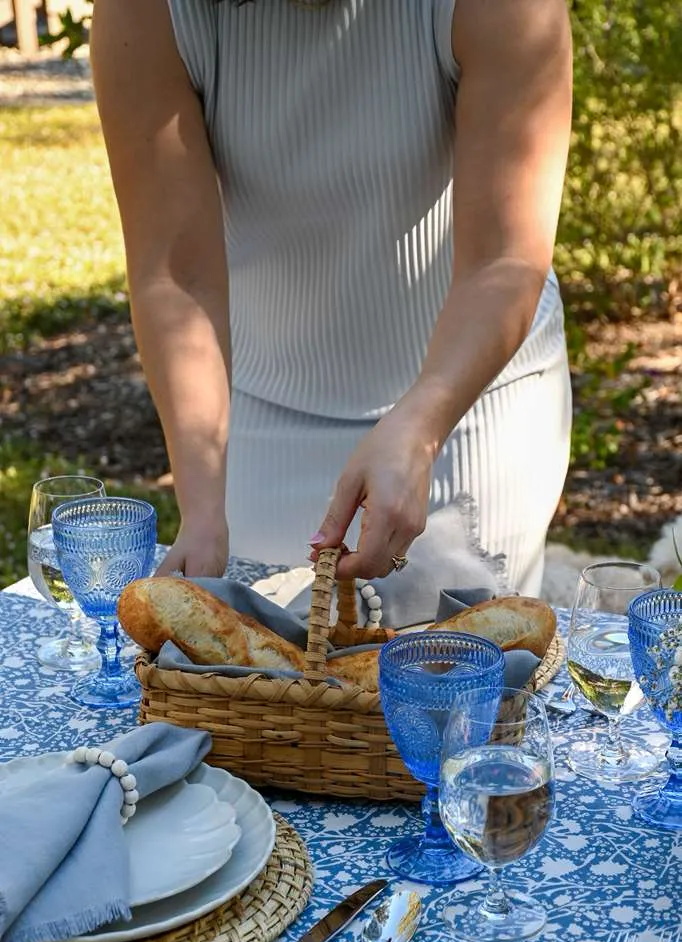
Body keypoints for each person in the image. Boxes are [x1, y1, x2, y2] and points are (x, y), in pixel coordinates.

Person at [90, 0, 573, 596]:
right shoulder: (143, 13)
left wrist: (421, 426)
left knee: (456, 681)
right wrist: (203, 503)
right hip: (258, 417)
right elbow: (177, 273)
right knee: (269, 681)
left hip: (469, 411)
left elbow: (503, 259)